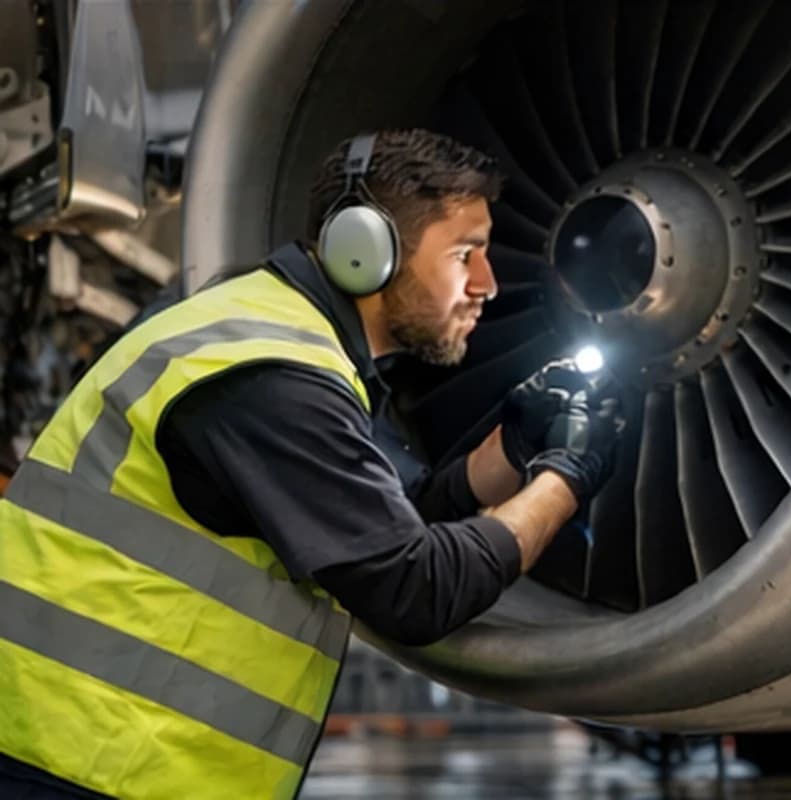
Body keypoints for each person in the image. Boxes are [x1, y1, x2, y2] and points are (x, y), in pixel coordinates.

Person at [0, 129, 623, 799]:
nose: (488, 284)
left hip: (93, 752)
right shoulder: (269, 376)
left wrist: (514, 450)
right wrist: (565, 479)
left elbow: (377, 528)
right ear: (368, 253)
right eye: (465, 254)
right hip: (80, 760)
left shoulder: (279, 342)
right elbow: (415, 589)